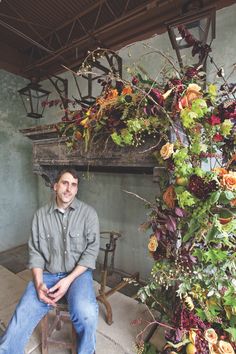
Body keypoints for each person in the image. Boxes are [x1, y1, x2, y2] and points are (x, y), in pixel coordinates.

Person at [0, 169, 100, 354]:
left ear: (77, 190)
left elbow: (91, 252)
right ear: (55, 186)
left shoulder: (89, 214)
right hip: (48, 274)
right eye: (64, 183)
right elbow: (35, 253)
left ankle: (86, 351)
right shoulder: (40, 216)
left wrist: (68, 280)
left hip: (78, 275)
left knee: (86, 312)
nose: (68, 189)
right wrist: (38, 284)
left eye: (73, 185)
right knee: (22, 313)